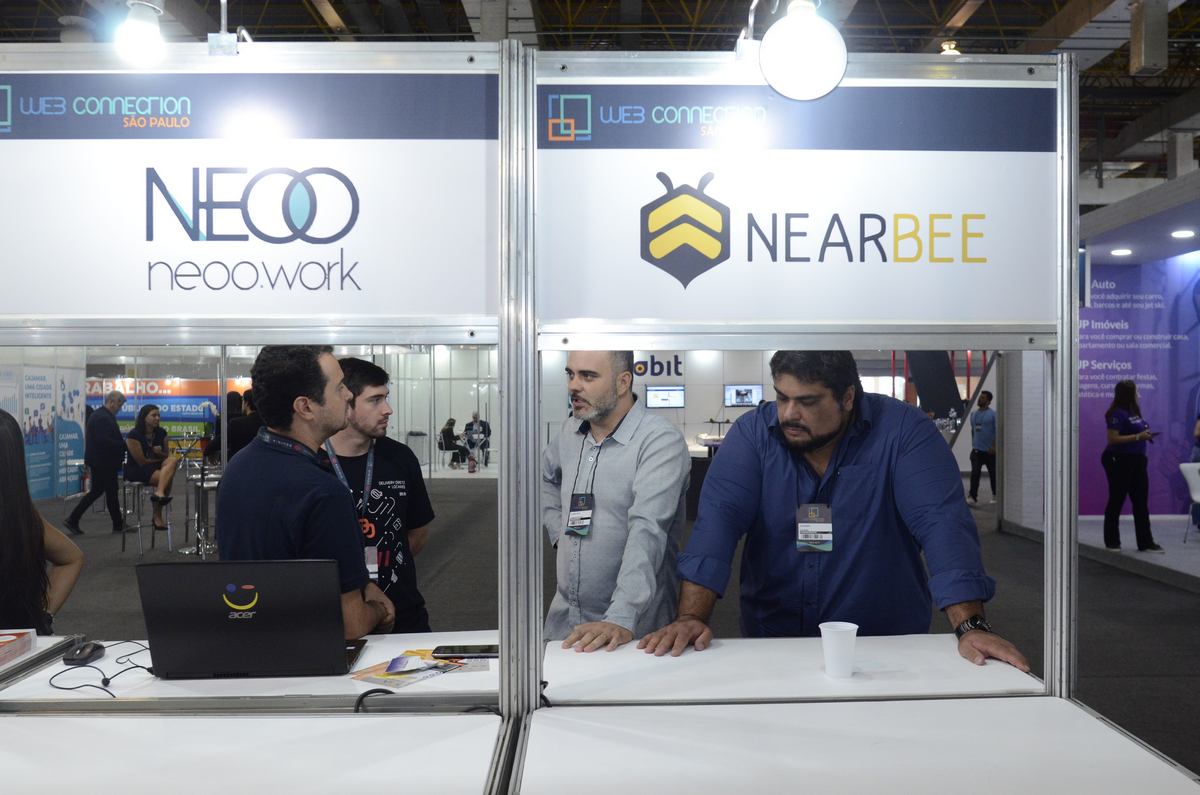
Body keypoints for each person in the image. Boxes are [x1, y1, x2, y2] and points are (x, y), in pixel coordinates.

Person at [639, 351, 1028, 672]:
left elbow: (942, 525)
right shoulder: (753, 435)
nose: (788, 414)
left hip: (886, 645)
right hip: (775, 642)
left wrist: (971, 626)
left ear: (847, 398)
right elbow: (717, 525)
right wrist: (691, 618)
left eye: (807, 402)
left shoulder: (903, 433)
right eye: (782, 398)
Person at [217, 345, 395, 640]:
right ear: (306, 407)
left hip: (249, 646)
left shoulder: (238, 468)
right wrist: (378, 609)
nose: (348, 395)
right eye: (339, 388)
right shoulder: (323, 492)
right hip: (307, 655)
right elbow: (350, 624)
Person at [542, 350, 690, 652]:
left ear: (623, 382)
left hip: (632, 633)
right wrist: (558, 531)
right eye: (570, 374)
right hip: (564, 624)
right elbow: (544, 477)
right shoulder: (570, 431)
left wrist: (621, 616)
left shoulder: (659, 441)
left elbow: (647, 530)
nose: (573, 385)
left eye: (588, 376)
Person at [326, 357, 435, 633]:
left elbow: (417, 533)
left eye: (386, 398)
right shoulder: (313, 464)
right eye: (375, 400)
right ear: (346, 402)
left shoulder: (400, 458)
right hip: (333, 619)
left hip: (404, 614)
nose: (388, 409)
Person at [0, 409, 84, 634]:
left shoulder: (23, 517)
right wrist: (42, 618)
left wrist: (44, 616)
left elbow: (72, 559)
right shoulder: (21, 516)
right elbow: (72, 558)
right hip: (24, 645)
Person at [1101, 379, 1162, 552]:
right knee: (1117, 499)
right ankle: (1112, 541)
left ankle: (1146, 542)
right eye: (1136, 391)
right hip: (1119, 460)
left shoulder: (1133, 411)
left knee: (1141, 501)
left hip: (1137, 460)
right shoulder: (1116, 413)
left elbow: (1138, 430)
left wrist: (1145, 435)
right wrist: (1137, 437)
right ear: (1128, 394)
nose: (1139, 394)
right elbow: (1112, 439)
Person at [63, 390, 128, 535]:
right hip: (104, 461)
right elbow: (103, 441)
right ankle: (118, 525)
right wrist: (123, 445)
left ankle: (73, 519)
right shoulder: (103, 417)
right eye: (119, 405)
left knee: (99, 491)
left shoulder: (101, 415)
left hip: (101, 461)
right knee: (110, 492)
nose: (120, 409)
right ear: (112, 402)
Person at [123, 404, 180, 531]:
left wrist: (159, 453)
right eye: (154, 415)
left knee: (173, 460)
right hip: (137, 469)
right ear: (144, 417)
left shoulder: (162, 432)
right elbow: (142, 461)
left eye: (159, 415)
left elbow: (166, 456)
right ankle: (157, 514)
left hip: (157, 467)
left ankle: (159, 493)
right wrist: (158, 458)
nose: (157, 418)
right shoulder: (134, 435)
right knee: (166, 478)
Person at [968, 390, 997, 505]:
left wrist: (994, 446)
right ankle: (972, 496)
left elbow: (997, 432)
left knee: (993, 474)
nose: (980, 399)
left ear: (989, 401)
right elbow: (973, 430)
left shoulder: (993, 415)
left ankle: (995, 495)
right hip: (976, 450)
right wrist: (974, 443)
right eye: (980, 397)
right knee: (975, 474)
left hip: (990, 451)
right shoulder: (973, 414)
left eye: (983, 398)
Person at [224, 388, 265, 461]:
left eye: (242, 400)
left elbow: (221, 440)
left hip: (238, 461)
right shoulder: (266, 423)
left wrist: (207, 451)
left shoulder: (236, 423)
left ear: (246, 403)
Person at [205, 390, 244, 464]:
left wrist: (210, 450)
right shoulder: (245, 417)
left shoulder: (221, 417)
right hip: (243, 452)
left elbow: (218, 436)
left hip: (227, 454)